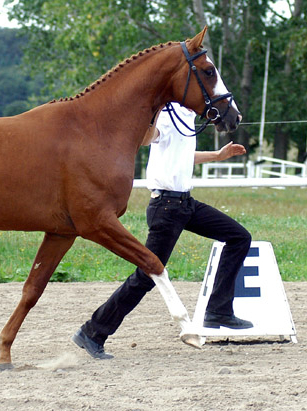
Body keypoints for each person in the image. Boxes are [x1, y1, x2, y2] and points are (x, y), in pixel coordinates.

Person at [71, 102, 253, 359]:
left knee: (239, 237)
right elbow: (147, 138)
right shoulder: (169, 115)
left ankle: (218, 311)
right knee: (146, 276)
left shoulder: (187, 116)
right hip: (166, 208)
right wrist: (154, 112)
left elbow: (180, 154)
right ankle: (93, 331)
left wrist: (216, 156)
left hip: (185, 203)